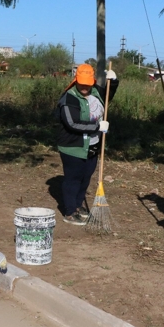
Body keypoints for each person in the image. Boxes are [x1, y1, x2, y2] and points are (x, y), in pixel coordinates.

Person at [56, 63, 118, 225]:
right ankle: (69, 212)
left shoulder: (96, 91)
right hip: (73, 146)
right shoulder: (68, 98)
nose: (84, 87)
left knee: (85, 178)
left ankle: (77, 206)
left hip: (92, 145)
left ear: (93, 81)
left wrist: (114, 81)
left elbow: (108, 96)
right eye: (81, 83)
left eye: (87, 84)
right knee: (73, 179)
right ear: (76, 80)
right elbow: (72, 123)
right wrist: (98, 126)